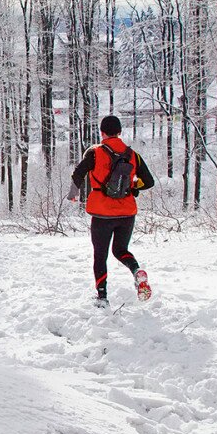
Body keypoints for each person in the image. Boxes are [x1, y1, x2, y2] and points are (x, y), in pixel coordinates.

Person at [68, 115, 155, 308]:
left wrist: (74, 193)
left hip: (102, 214)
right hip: (127, 213)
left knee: (101, 255)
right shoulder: (132, 154)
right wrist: (133, 188)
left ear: (102, 133)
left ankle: (102, 297)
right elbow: (149, 182)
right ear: (120, 132)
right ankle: (136, 271)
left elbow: (78, 173)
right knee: (120, 250)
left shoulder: (95, 152)